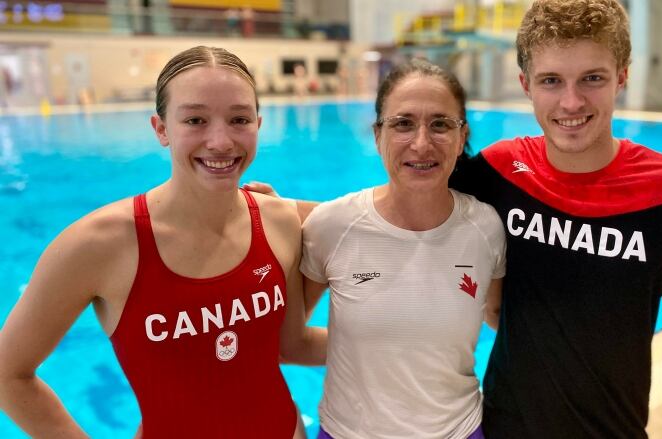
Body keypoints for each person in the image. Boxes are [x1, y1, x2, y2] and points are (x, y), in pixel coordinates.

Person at [0, 46, 324, 438]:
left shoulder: (280, 221)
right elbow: (8, 375)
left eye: (239, 119)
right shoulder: (98, 244)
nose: (221, 141)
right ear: (161, 129)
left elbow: (291, 345)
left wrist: (401, 340)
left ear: (258, 123)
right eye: (195, 120)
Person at [448, 0, 662, 437]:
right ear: (526, 85)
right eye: (551, 81)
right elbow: (409, 208)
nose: (571, 101)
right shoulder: (497, 171)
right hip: (504, 427)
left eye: (592, 78)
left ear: (622, 76)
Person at [299, 59, 505, 438]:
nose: (421, 143)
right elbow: (289, 342)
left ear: (462, 138)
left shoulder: (487, 228)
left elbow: (499, 317)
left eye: (440, 124)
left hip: (459, 430)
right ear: (377, 135)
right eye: (403, 123)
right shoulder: (332, 226)